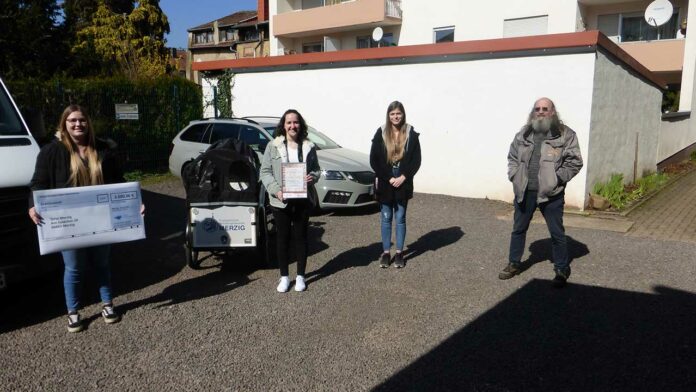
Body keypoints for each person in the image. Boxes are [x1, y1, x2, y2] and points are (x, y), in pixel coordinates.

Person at [28, 104, 141, 332]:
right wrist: (32, 206)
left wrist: (135, 203)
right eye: (72, 121)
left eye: (82, 120)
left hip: (101, 220)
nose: (78, 124)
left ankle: (107, 305)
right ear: (64, 124)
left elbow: (118, 181)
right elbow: (37, 184)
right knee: (74, 268)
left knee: (101, 263)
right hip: (69, 223)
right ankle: (73, 312)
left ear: (88, 123)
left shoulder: (102, 149)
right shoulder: (51, 152)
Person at [499, 97, 583, 287]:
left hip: (551, 194)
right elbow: (512, 156)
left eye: (545, 108)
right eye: (537, 108)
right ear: (533, 112)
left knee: (556, 232)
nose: (541, 111)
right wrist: (514, 175)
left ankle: (561, 267)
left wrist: (557, 179)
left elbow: (575, 161)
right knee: (518, 229)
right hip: (525, 191)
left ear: (553, 111)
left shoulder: (565, 134)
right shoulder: (524, 133)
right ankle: (514, 263)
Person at [260, 109, 320, 293]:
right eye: (289, 123)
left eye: (295, 122)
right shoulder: (273, 146)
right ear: (283, 125)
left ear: (300, 125)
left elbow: (317, 170)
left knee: (301, 238)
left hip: (302, 199)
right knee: (282, 239)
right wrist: (276, 191)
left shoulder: (308, 146)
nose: (292, 126)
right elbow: (265, 172)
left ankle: (301, 276)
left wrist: (312, 176)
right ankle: (284, 277)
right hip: (281, 201)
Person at [370, 101, 421, 269]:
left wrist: (404, 176)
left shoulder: (411, 134)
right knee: (386, 218)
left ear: (403, 114)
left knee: (400, 218)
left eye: (398, 113)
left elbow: (416, 159)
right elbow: (374, 160)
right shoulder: (381, 132)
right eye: (392, 114)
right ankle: (386, 253)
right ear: (388, 116)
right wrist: (389, 177)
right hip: (386, 182)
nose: (395, 116)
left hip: (403, 182)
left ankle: (399, 253)